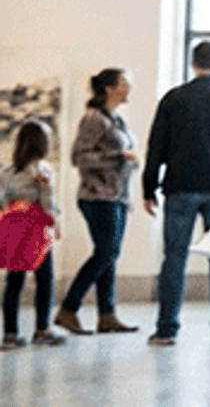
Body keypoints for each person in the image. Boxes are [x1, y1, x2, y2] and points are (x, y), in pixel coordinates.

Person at [143, 40, 210, 346]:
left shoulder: (173, 100)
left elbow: (156, 146)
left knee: (174, 258)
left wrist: (148, 186)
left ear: (193, 63)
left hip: (181, 187)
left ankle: (167, 328)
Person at [53, 68, 141, 336]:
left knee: (109, 256)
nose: (130, 89)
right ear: (109, 89)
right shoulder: (94, 119)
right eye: (125, 84)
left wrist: (126, 161)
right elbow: (79, 157)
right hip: (98, 197)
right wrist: (117, 158)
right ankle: (68, 308)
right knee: (106, 253)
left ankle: (107, 315)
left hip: (116, 197)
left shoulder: (116, 119)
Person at [2, 121, 62, 349]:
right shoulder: (43, 169)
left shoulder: (8, 171)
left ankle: (10, 334)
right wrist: (55, 224)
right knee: (44, 280)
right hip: (36, 231)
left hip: (15, 230)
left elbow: (4, 202)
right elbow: (47, 203)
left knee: (14, 282)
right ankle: (42, 330)